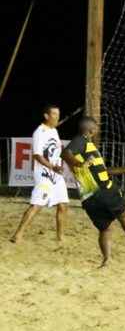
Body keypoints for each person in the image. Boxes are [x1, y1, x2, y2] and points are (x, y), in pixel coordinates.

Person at [61, 117, 125, 267]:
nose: (99, 129)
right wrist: (81, 163)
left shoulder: (88, 148)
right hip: (104, 190)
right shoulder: (81, 141)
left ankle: (107, 259)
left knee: (105, 228)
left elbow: (104, 171)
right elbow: (65, 153)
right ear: (91, 131)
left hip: (88, 197)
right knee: (123, 216)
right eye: (97, 127)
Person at [10, 104, 69, 244]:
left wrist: (59, 164)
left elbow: (57, 149)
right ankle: (17, 234)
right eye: (54, 114)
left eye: (58, 114)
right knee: (37, 204)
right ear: (46, 116)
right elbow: (37, 155)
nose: (57, 117)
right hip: (43, 173)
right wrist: (51, 167)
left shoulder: (54, 131)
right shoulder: (39, 132)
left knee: (63, 205)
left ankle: (60, 237)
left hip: (56, 174)